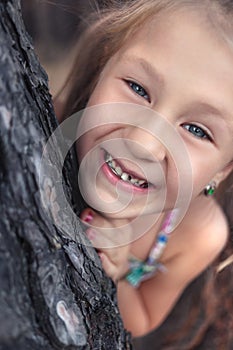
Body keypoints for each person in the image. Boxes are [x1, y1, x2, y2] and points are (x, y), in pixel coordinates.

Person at [62, 0, 233, 340]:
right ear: (103, 68)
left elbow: (142, 319)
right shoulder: (42, 127)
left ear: (222, 170)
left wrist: (119, 271)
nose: (144, 143)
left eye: (197, 130)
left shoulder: (199, 233)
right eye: (137, 89)